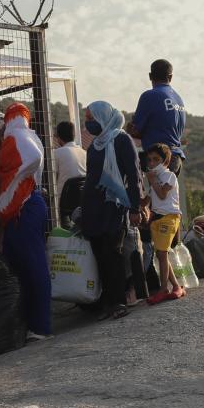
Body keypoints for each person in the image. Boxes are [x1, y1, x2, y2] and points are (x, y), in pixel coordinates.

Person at [0, 104, 52, 340]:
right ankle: (31, 324)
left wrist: (18, 179)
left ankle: (41, 326)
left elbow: (32, 159)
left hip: (25, 206)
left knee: (33, 266)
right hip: (23, 206)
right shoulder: (29, 136)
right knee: (22, 267)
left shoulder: (18, 137)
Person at [80, 101, 144, 321]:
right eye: (86, 119)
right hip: (93, 209)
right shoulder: (96, 144)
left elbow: (134, 177)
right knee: (100, 256)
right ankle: (107, 302)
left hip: (114, 208)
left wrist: (135, 208)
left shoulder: (121, 140)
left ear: (103, 118)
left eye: (91, 118)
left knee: (113, 254)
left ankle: (118, 301)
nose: (88, 123)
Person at [128, 59, 186, 175]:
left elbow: (135, 130)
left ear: (150, 76)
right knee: (170, 193)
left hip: (159, 159)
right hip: (176, 158)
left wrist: (129, 129)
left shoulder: (149, 96)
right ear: (170, 77)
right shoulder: (179, 99)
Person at [144, 143, 185, 305]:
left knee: (162, 254)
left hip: (169, 217)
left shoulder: (169, 176)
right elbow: (148, 199)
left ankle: (163, 289)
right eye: (149, 160)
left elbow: (161, 195)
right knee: (161, 255)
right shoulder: (154, 179)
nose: (152, 163)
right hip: (158, 218)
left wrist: (152, 180)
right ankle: (176, 287)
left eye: (156, 159)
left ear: (165, 161)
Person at [53, 121, 87, 202]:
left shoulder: (56, 153)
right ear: (74, 135)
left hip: (61, 201)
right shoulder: (84, 153)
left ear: (58, 137)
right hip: (81, 199)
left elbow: (52, 179)